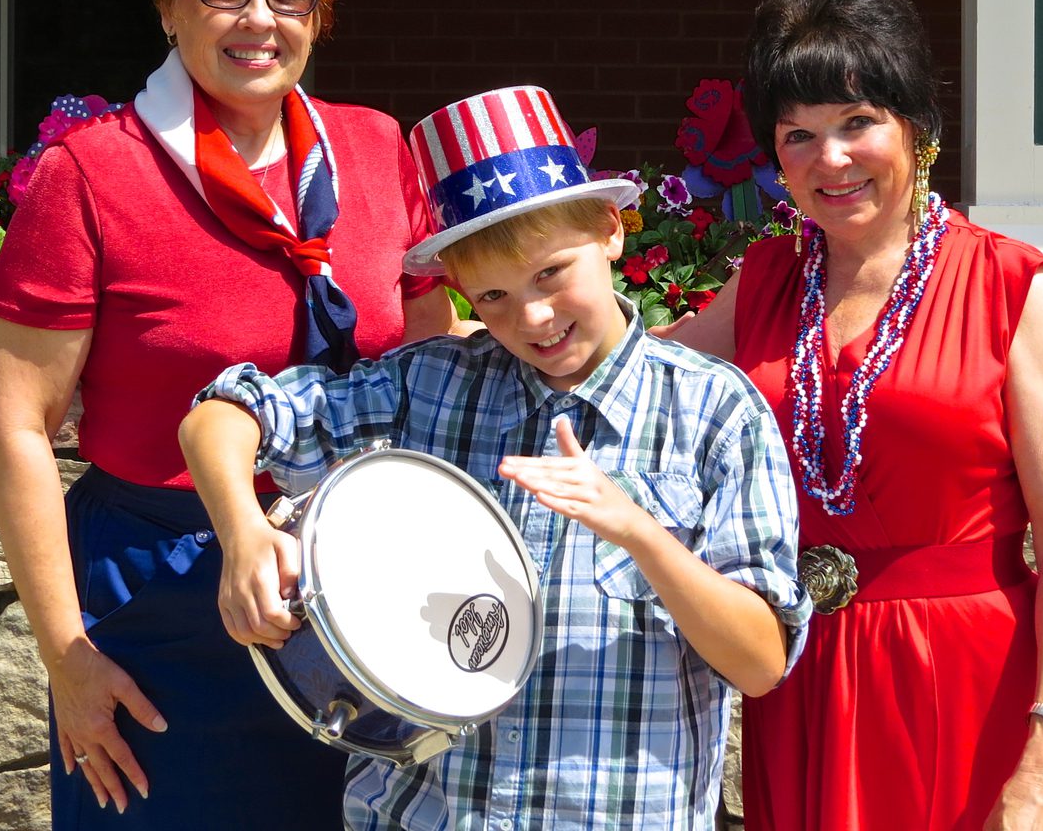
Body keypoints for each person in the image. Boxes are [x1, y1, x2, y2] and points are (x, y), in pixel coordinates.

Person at [177, 85, 812, 830]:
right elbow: (225, 411)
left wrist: (640, 532)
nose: (533, 318)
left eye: (552, 274)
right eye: (495, 297)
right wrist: (242, 532)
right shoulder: (433, 385)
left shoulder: (714, 412)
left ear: (611, 229)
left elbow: (762, 661)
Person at [0, 0, 456, 826]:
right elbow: (14, 422)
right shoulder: (93, 173)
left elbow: (427, 354)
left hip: (358, 586)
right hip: (161, 609)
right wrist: (67, 655)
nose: (259, 18)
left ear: (320, 14)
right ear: (168, 3)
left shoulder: (374, 149)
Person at [661, 0, 1043, 830]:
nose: (829, 159)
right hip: (804, 677)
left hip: (961, 682)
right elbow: (631, 370)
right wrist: (486, 318)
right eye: (798, 135)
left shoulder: (1012, 287)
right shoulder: (763, 281)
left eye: (858, 123)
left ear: (917, 127)